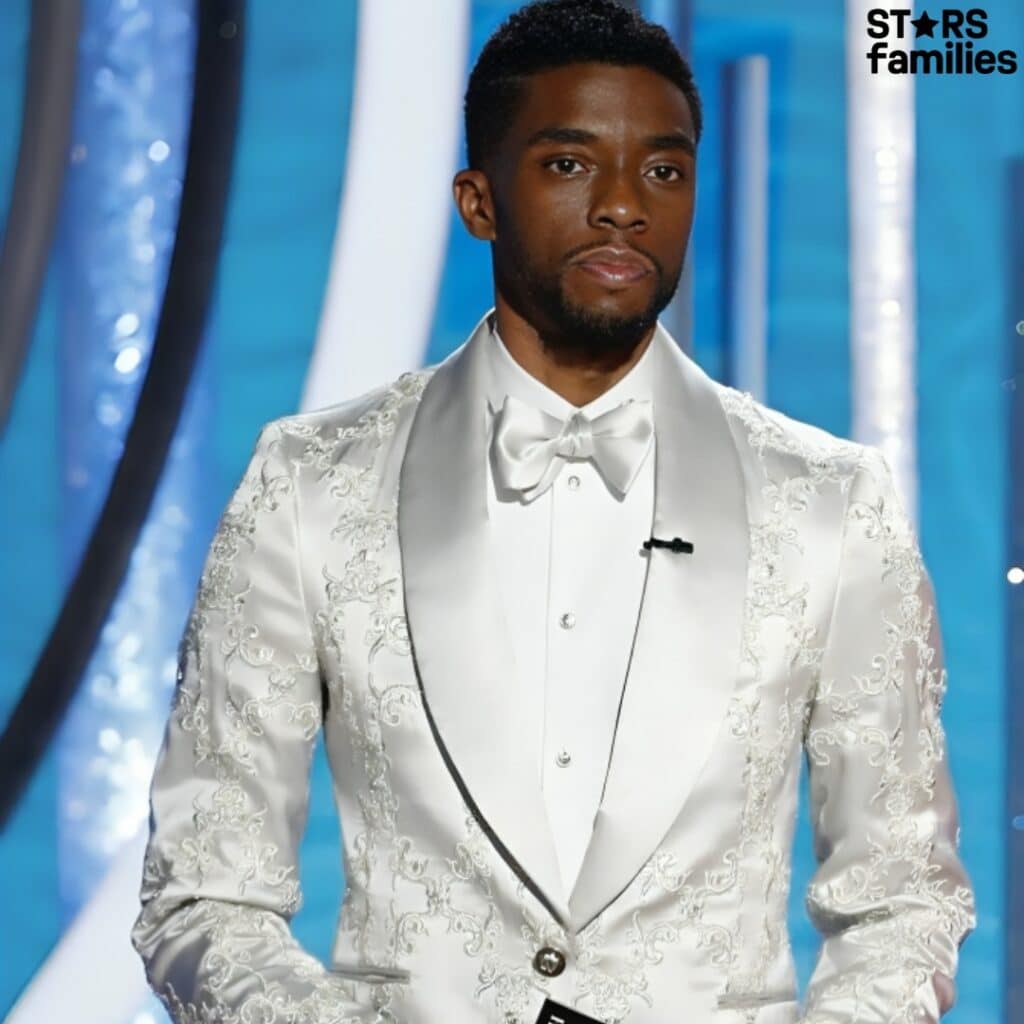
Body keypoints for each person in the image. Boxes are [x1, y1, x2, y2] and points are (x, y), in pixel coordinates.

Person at [131, 2, 975, 1021]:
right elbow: (205, 890)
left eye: (661, 170)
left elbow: (900, 894)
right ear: (478, 201)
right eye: (570, 164)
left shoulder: (829, 504)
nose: (622, 204)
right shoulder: (311, 483)